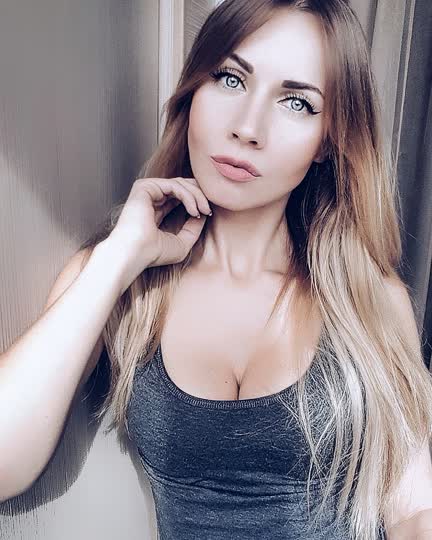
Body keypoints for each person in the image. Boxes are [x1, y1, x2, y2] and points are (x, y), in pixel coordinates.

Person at [1, 0, 432, 538]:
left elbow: (413, 508)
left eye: (296, 103)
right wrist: (119, 257)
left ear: (328, 141)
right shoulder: (121, 281)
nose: (248, 128)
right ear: (194, 90)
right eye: (231, 78)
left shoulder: (370, 298)